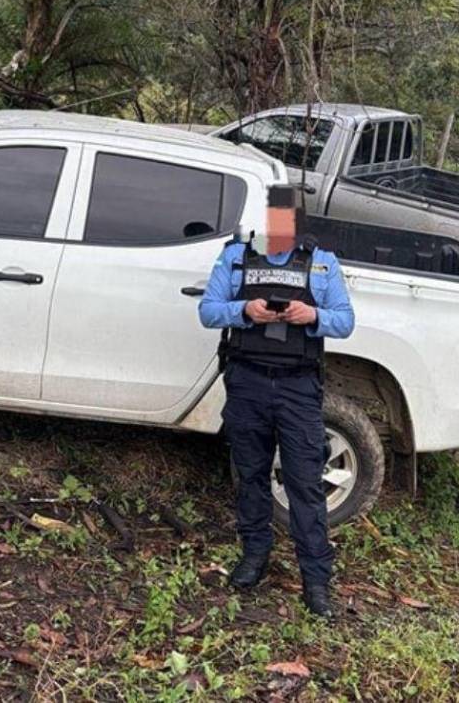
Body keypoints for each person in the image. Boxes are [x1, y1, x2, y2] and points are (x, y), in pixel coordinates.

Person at [198, 185, 354, 618]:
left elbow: (346, 321)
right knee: (250, 475)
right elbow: (208, 311)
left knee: (305, 484)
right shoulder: (237, 257)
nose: (279, 227)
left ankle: (316, 581)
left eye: (286, 219)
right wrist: (244, 311)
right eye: (273, 219)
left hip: (297, 388)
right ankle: (254, 557)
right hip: (247, 382)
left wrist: (313, 316)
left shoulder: (322, 264)